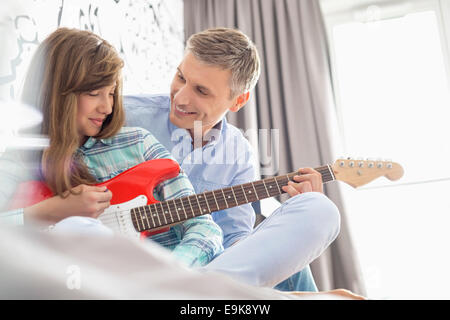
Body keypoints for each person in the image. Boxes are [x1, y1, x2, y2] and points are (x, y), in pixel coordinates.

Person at [124, 28, 341, 289]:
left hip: (203, 268)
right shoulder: (127, 116)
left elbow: (235, 239)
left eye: (201, 91)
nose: (180, 97)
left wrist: (284, 229)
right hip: (131, 257)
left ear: (238, 100)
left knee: (320, 210)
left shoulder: (240, 153)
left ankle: (197, 290)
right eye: (180, 77)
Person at [0, 27, 223, 268]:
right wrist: (50, 211)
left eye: (112, 93)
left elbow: (203, 228)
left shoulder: (139, 143)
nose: (107, 107)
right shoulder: (18, 160)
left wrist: (169, 272)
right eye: (94, 93)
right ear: (56, 93)